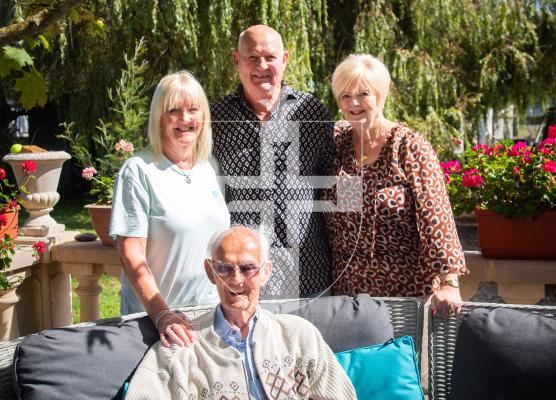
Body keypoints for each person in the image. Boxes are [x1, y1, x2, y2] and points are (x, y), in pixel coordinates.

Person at [124, 225, 356, 400]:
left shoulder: (300, 336)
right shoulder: (181, 347)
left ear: (266, 272)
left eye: (248, 268)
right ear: (210, 271)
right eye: (224, 269)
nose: (235, 280)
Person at [323, 54, 469, 317]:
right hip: (347, 295)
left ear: (381, 95)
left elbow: (436, 216)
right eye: (345, 96)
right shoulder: (336, 142)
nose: (353, 103)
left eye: (363, 94)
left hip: (405, 293)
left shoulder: (408, 146)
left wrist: (449, 282)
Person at [211, 25, 334, 298]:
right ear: (236, 60)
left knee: (304, 341)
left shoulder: (312, 113)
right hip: (241, 277)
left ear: (285, 60)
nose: (262, 66)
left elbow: (331, 184)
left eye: (270, 57)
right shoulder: (215, 119)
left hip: (308, 272)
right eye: (252, 57)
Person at [109, 71, 230, 346]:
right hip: (157, 326)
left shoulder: (208, 168)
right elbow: (130, 254)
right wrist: (162, 314)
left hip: (210, 318)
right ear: (159, 119)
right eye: (173, 110)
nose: (185, 119)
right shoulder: (138, 171)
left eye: (193, 110)